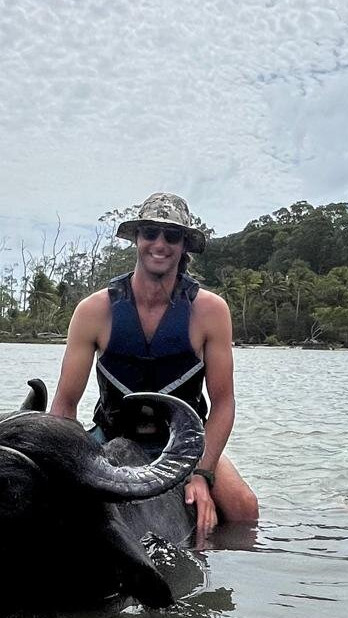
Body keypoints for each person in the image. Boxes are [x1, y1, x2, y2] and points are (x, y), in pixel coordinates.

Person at [50, 192, 259, 536]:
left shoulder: (211, 311)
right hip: (111, 435)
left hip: (186, 445)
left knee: (245, 509)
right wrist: (68, 466)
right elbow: (64, 404)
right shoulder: (93, 311)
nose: (160, 244)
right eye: (150, 233)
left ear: (184, 244)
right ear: (137, 238)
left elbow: (224, 403)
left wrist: (201, 474)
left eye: (172, 236)